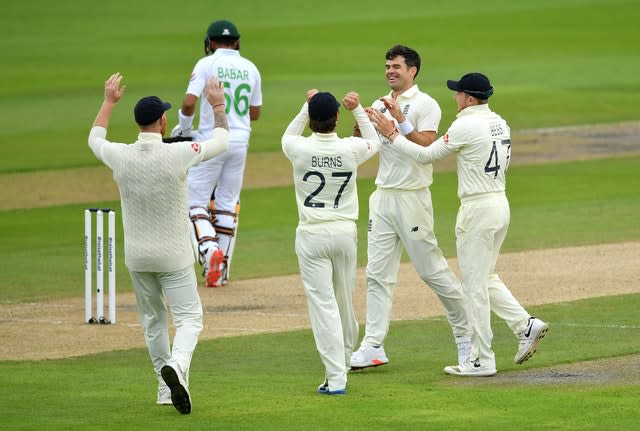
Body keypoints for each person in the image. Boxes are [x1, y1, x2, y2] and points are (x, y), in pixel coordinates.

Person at [371, 72, 549, 376]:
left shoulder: (465, 124)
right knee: (486, 277)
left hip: (477, 210)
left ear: (468, 97)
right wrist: (402, 121)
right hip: (499, 204)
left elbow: (426, 156)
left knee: (474, 287)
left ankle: (481, 359)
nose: (454, 97)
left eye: (458, 93)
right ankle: (525, 325)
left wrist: (392, 134)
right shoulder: (499, 121)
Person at [88, 73, 229, 412]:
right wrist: (218, 105)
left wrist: (108, 103)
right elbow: (223, 140)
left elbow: (95, 139)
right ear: (164, 121)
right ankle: (177, 367)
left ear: (138, 123)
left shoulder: (119, 154)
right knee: (190, 319)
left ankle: (165, 391)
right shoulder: (179, 153)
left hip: (137, 257)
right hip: (173, 256)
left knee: (153, 321)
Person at [350, 45, 472, 370]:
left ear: (412, 70)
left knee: (431, 270)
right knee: (376, 274)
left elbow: (428, 146)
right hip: (383, 197)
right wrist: (358, 118)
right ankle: (373, 345)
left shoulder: (425, 104)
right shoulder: (379, 102)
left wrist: (398, 124)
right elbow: (367, 143)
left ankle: (468, 339)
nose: (390, 71)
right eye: (387, 66)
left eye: (397, 67)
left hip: (413, 197)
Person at [282, 90, 380, 394]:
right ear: (337, 118)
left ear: (311, 120)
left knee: (323, 306)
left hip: (312, 234)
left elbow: (289, 133)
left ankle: (336, 377)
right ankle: (346, 358)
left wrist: (305, 103)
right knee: (343, 299)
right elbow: (375, 141)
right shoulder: (350, 148)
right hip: (344, 233)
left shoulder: (297, 147)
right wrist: (359, 110)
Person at [172, 19, 262, 287]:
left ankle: (211, 252)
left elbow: (189, 102)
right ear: (236, 42)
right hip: (240, 140)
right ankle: (219, 274)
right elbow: (255, 113)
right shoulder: (250, 67)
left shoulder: (206, 64)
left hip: (212, 138)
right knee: (226, 203)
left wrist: (185, 129)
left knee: (191, 202)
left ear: (210, 43)